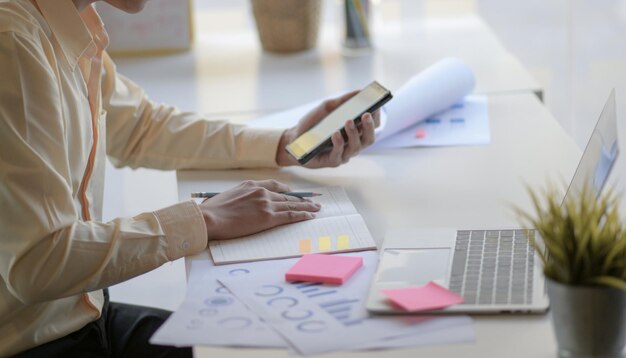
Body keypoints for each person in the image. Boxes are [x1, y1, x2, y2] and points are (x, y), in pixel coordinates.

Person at [0, 0, 380, 356]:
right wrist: (204, 219)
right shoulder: (13, 45)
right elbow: (39, 260)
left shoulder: (69, 22)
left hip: (84, 313)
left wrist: (284, 144)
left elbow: (140, 127)